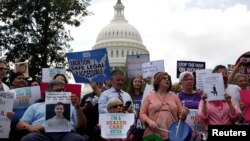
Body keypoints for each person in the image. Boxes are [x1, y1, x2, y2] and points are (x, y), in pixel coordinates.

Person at [16, 79, 88, 141]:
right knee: (28, 139)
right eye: (58, 91)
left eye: (63, 90)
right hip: (41, 133)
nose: (61, 93)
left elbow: (81, 126)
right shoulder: (35, 106)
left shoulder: (72, 106)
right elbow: (20, 125)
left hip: (67, 134)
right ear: (47, 93)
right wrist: (30, 127)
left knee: (78, 139)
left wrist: (78, 108)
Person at [139, 72, 189, 140]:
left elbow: (181, 115)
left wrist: (184, 113)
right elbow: (142, 113)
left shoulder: (175, 97)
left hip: (172, 135)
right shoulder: (149, 97)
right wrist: (149, 121)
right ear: (158, 80)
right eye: (164, 78)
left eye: (168, 79)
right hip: (153, 135)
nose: (167, 80)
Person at [126, 75, 145, 141]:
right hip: (132, 125)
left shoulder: (145, 95)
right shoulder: (127, 95)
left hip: (143, 125)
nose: (137, 83)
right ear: (132, 83)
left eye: (139, 81)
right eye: (135, 81)